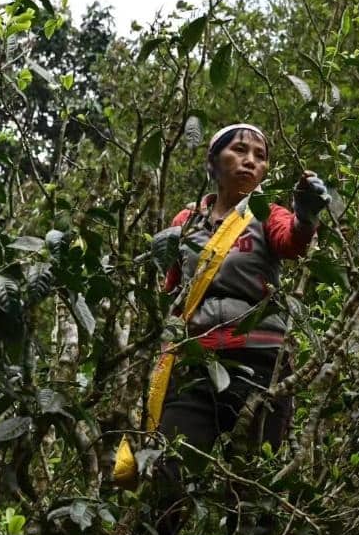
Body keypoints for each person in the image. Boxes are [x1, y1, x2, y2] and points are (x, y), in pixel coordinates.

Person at [118, 122, 329, 504]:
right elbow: (172, 292)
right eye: (239, 150)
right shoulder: (186, 223)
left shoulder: (267, 214)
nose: (250, 161)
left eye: (260, 156)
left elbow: (293, 241)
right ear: (213, 162)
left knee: (253, 492)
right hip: (196, 366)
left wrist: (307, 214)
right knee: (168, 475)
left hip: (261, 368)